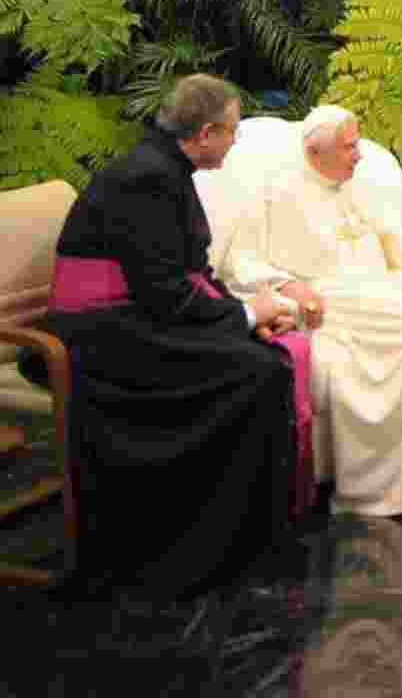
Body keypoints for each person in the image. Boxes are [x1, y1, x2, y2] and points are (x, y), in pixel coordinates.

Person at [42, 74, 311, 597]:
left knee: (264, 360)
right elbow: (163, 293)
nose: (234, 143)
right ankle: (199, 547)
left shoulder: (164, 166)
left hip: (134, 312)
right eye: (231, 132)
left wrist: (245, 314)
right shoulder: (147, 177)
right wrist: (243, 315)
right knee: (256, 371)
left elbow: (183, 277)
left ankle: (245, 538)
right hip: (100, 329)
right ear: (206, 132)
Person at [219, 104, 402, 519]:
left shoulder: (364, 182)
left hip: (383, 288)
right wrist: (292, 288)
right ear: (314, 152)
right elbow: (243, 263)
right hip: (329, 301)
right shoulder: (274, 192)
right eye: (349, 147)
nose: (360, 155)